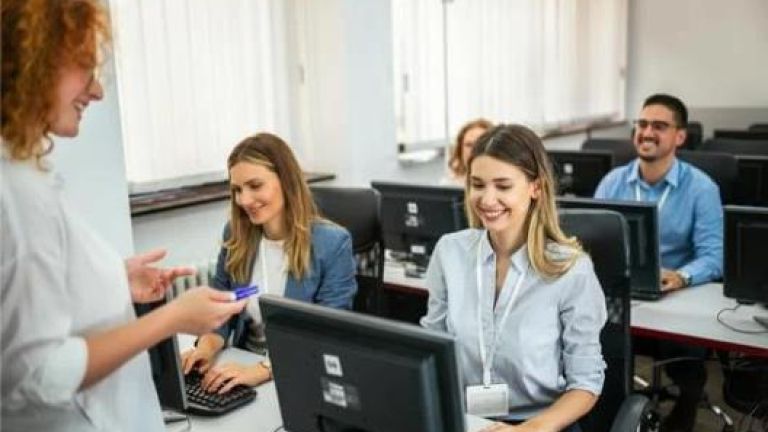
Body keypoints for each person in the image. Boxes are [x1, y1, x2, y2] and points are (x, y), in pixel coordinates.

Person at [0, 1, 247, 431]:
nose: (96, 91)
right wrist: (168, 319)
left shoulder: (22, 176)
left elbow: (36, 298)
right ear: (32, 58)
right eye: (84, 68)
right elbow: (37, 374)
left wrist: (116, 279)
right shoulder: (14, 190)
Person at [421, 124, 607, 431]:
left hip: (540, 423)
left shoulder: (572, 270)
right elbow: (431, 349)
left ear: (535, 187)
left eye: (503, 186)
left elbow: (586, 383)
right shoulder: (449, 252)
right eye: (477, 184)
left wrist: (529, 430)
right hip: (467, 420)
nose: (487, 199)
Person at [181, 133, 358, 394]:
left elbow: (325, 336)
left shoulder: (331, 244)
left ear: (285, 181)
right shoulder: (236, 236)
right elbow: (221, 314)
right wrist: (204, 350)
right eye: (238, 190)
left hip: (301, 373)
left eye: (255, 185)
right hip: (242, 366)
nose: (244, 200)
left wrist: (260, 371)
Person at [594, 93, 722, 431]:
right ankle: (614, 415)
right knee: (598, 352)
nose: (647, 132)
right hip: (620, 294)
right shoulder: (613, 182)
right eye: (642, 124)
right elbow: (589, 241)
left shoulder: (701, 188)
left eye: (659, 126)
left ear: (679, 136)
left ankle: (686, 409)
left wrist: (680, 277)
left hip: (676, 298)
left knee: (687, 368)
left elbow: (714, 255)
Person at [444, 118, 493, 185]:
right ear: (460, 150)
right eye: (469, 145)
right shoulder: (448, 186)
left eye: (480, 144)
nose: (473, 150)